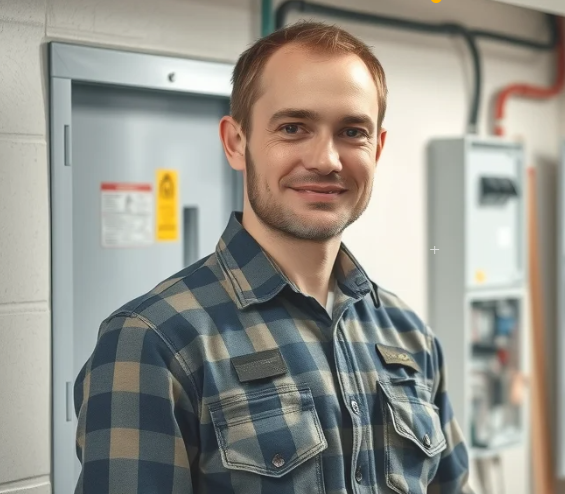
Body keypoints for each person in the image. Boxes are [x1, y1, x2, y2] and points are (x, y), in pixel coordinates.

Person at [74, 20, 473, 494]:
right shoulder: (155, 342)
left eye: (351, 131)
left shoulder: (409, 337)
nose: (326, 159)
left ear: (378, 148)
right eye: (293, 127)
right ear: (235, 143)